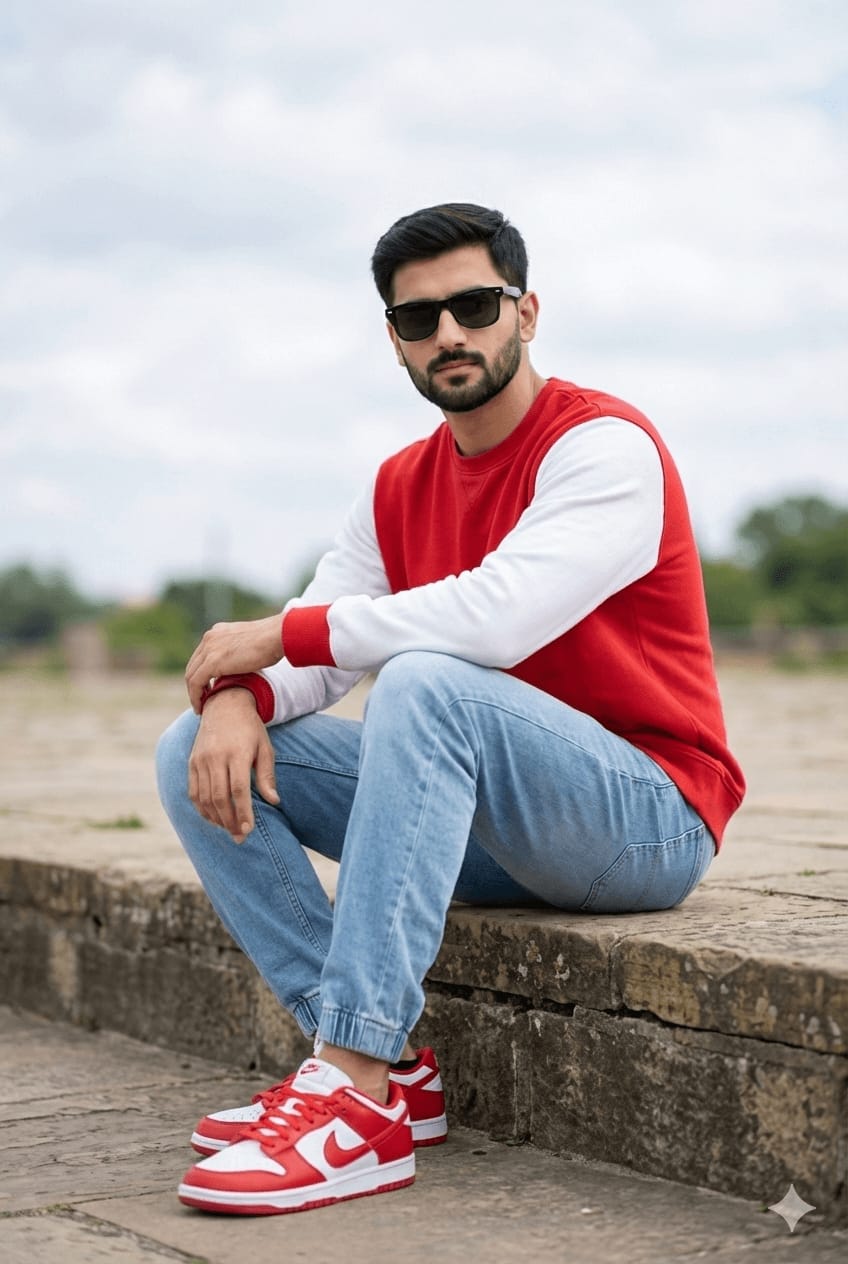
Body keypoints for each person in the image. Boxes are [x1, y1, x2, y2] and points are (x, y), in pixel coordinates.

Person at [156, 202, 745, 1216]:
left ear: (525, 311)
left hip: (644, 816)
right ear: (393, 338)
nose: (449, 335)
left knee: (428, 682)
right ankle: (386, 1070)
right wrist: (239, 696)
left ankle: (351, 1087)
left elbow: (494, 620)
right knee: (187, 748)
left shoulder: (603, 447)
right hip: (490, 823)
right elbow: (314, 647)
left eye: (473, 306)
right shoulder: (395, 487)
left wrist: (277, 637)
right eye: (418, 317)